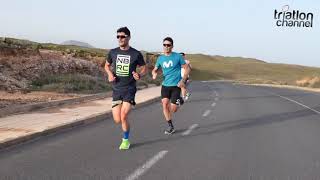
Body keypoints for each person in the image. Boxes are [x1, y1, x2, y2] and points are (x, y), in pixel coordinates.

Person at [104, 27, 146, 150]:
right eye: (118, 36)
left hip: (129, 88)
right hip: (117, 89)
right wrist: (110, 74)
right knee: (117, 119)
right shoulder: (113, 52)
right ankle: (125, 128)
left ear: (128, 37)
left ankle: (125, 140)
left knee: (123, 116)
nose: (120, 39)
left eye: (122, 36)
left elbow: (144, 68)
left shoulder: (135, 53)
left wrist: (140, 74)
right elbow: (106, 66)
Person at [152, 37, 190, 134]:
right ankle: (170, 126)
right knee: (164, 105)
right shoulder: (160, 58)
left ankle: (180, 100)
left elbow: (187, 68)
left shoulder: (177, 56)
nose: (166, 47)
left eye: (168, 45)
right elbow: (155, 68)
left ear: (172, 46)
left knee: (173, 109)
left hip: (176, 86)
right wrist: (154, 72)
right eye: (164, 45)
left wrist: (183, 80)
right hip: (165, 85)